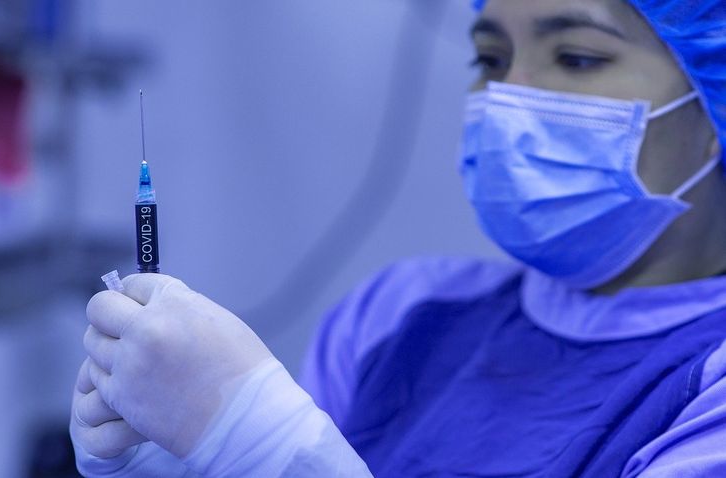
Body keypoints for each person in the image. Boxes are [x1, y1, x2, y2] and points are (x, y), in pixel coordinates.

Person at [70, 0, 726, 476]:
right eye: (489, 58)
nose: (507, 95)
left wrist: (260, 443)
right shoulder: (399, 314)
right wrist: (172, 461)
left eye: (577, 58)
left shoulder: (708, 387)